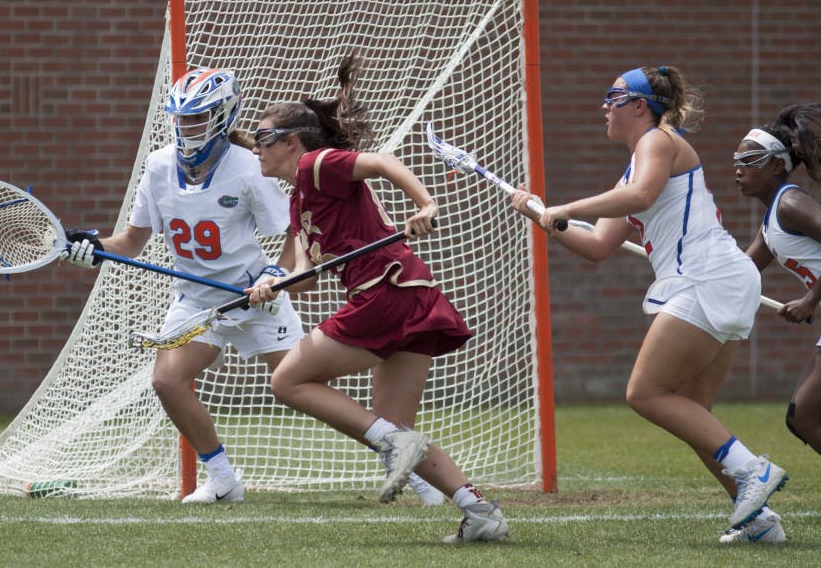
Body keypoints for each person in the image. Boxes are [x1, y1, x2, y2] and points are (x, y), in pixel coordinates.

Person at [60, 69, 443, 505]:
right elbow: (129, 241)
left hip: (257, 297)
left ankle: (410, 466)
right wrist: (90, 248)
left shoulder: (249, 167)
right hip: (199, 302)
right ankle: (223, 478)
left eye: (197, 119)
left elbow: (292, 230)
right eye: (182, 120)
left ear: (222, 116)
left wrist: (274, 275)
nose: (187, 129)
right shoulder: (159, 166)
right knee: (167, 381)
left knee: (302, 388)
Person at [510, 66, 789, 542]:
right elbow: (599, 245)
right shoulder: (636, 165)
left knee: (644, 393)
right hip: (720, 278)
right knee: (693, 409)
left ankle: (753, 472)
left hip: (704, 276)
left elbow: (638, 196)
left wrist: (567, 207)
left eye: (612, 97)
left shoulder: (658, 141)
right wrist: (543, 217)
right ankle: (760, 523)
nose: (604, 106)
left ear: (640, 105)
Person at [247, 55, 509, 543]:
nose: (256, 151)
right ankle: (480, 512)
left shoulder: (316, 163)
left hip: (384, 293)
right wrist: (269, 286)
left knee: (287, 381)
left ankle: (397, 444)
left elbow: (384, 162)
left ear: (290, 142)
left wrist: (425, 203)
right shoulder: (299, 199)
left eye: (262, 140)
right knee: (394, 426)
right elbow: (304, 276)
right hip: (409, 295)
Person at [735, 104, 821, 462]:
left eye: (750, 160)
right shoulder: (772, 220)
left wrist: (810, 300)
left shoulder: (791, 203)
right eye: (736, 160)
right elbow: (740, 270)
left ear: (776, 165)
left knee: (803, 416)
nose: (739, 169)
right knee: (803, 417)